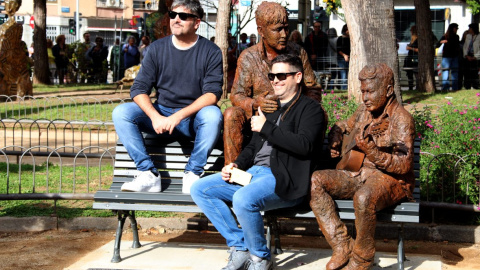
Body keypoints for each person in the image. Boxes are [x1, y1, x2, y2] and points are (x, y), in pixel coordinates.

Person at [191, 54, 326, 270]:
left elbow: (305, 146)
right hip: (254, 174)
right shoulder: (271, 109)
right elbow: (253, 147)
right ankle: (240, 247)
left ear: (298, 77)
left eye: (281, 75)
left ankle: (260, 258)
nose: (275, 80)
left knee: (243, 199)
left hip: (284, 178)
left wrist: (266, 127)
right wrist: (236, 165)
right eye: (272, 76)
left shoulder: (310, 110)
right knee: (201, 188)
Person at [310, 63, 415, 270]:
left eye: (370, 92)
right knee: (315, 181)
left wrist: (373, 152)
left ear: (388, 90)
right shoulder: (363, 111)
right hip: (358, 173)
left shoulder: (402, 119)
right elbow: (342, 125)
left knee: (364, 197)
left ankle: (362, 259)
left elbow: (403, 165)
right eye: (363, 91)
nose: (365, 97)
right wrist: (336, 137)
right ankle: (342, 246)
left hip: (391, 179)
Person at [112, 0, 223, 194]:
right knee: (121, 112)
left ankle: (192, 174)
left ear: (196, 22)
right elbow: (138, 89)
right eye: (173, 15)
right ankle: (148, 174)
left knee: (213, 115)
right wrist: (156, 116)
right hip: (161, 115)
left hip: (193, 118)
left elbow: (212, 94)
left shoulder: (211, 51)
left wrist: (178, 116)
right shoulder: (156, 49)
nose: (176, 19)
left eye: (183, 16)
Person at [223, 1, 323, 166]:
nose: (284, 34)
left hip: (292, 119)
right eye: (277, 30)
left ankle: (309, 172)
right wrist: (255, 103)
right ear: (261, 31)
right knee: (231, 114)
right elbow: (237, 95)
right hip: (257, 120)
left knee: (319, 112)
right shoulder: (248, 58)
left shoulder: (298, 53)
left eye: (285, 28)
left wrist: (296, 107)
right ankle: (233, 172)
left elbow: (313, 90)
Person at [437, 23, 460, 91]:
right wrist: (442, 42)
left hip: (449, 56)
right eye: (456, 28)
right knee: (451, 72)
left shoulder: (449, 36)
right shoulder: (448, 36)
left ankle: (447, 87)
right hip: (451, 56)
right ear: (453, 29)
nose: (457, 30)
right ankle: (452, 87)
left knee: (447, 71)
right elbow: (438, 44)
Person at [463, 23, 480, 90]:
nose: (469, 30)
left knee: (474, 72)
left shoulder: (479, 36)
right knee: (467, 72)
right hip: (468, 56)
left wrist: (475, 56)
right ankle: (467, 86)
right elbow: (465, 46)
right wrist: (466, 55)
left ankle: (475, 86)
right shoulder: (468, 36)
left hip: (476, 57)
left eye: (470, 28)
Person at [404, 25, 418, 90]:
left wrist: (410, 48)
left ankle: (417, 86)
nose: (410, 32)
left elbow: (418, 50)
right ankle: (410, 87)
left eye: (411, 31)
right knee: (409, 73)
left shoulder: (417, 40)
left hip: (415, 58)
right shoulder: (412, 40)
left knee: (416, 73)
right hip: (410, 58)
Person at [337, 24, 350, 90]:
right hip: (341, 59)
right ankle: (344, 89)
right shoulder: (340, 38)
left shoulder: (351, 39)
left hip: (350, 58)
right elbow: (338, 50)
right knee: (343, 75)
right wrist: (344, 55)